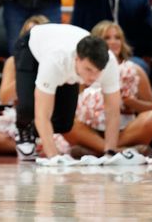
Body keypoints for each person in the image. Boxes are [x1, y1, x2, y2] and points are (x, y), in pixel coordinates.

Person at [14, 23, 121, 160]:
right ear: (77, 58)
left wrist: (110, 153)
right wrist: (53, 157)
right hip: (31, 46)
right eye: (88, 69)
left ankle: (37, 133)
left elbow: (113, 111)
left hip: (64, 53)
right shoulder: (55, 61)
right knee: (28, 106)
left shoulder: (109, 64)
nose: (93, 77)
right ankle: (22, 129)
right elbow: (42, 114)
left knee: (64, 123)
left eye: (98, 72)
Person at [67, 21, 152, 156]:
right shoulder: (83, 68)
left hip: (125, 131)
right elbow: (73, 106)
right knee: (67, 123)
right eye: (107, 38)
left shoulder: (135, 70)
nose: (113, 42)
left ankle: (97, 150)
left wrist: (130, 102)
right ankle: (119, 151)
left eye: (117, 37)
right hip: (91, 131)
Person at [0, 15, 48, 155]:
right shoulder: (13, 61)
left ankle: (36, 147)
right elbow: (4, 98)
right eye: (28, 35)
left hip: (49, 114)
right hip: (22, 117)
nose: (32, 40)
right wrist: (26, 74)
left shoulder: (56, 59)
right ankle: (36, 148)